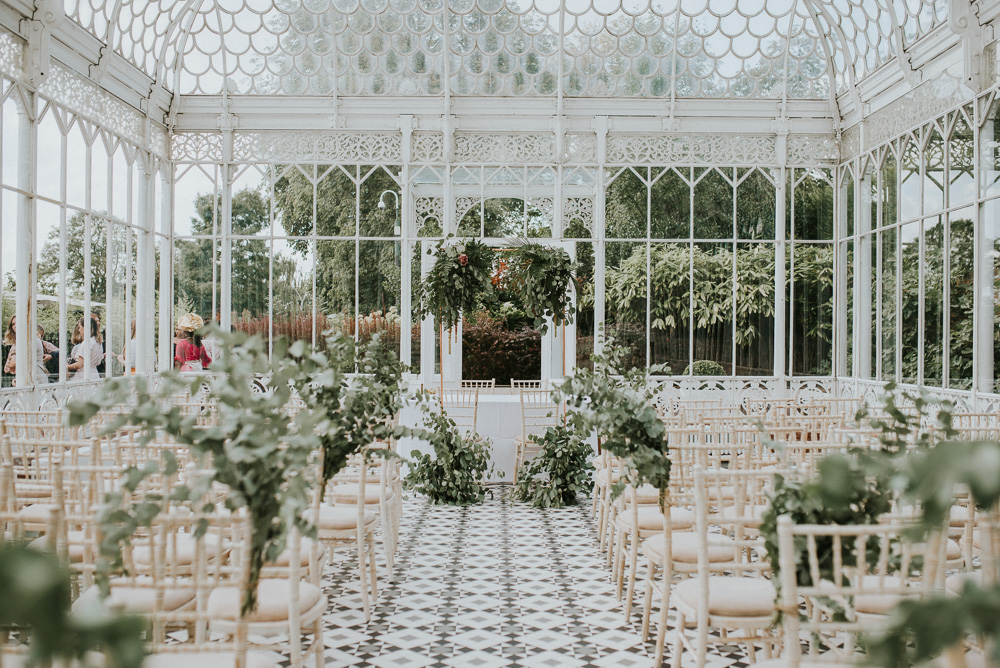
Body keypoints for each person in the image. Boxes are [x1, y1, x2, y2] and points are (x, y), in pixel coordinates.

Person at [2, 315, 49, 386]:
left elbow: (25, 361)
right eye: (13, 324)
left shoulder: (32, 339)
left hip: (36, 378)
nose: (15, 326)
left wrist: (14, 364)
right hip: (26, 378)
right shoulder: (18, 342)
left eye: (18, 323)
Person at [67, 316, 104, 381]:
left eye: (80, 327)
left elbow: (79, 365)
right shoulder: (98, 342)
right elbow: (99, 361)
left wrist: (67, 366)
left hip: (84, 375)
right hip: (94, 374)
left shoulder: (87, 342)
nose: (79, 330)